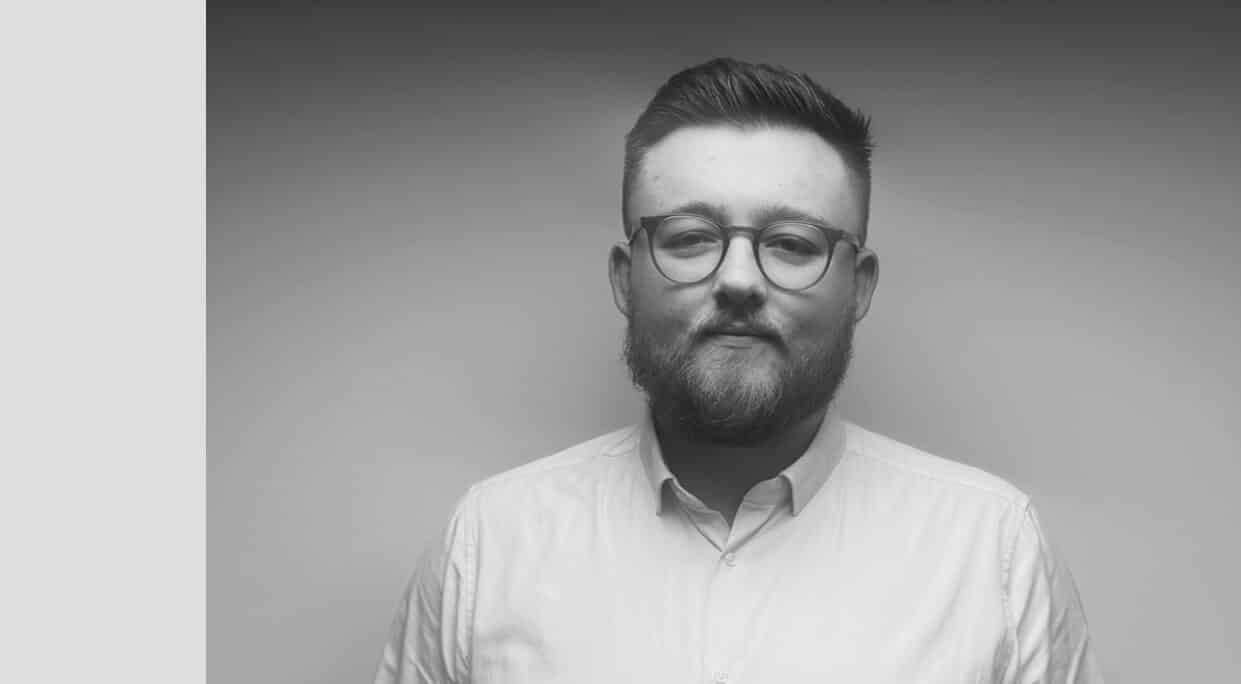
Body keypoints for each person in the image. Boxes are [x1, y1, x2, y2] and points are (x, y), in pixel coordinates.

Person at [373, 57, 1101, 684]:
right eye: (692, 237)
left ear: (862, 286)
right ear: (627, 279)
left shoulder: (993, 551)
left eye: (791, 242)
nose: (740, 280)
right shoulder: (488, 543)